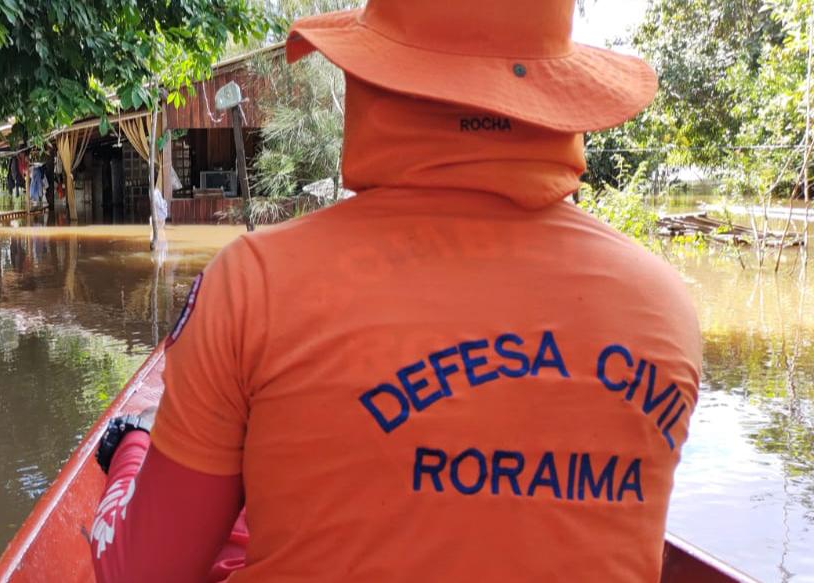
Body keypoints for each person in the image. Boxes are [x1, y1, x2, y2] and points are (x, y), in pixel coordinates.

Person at [89, 0, 702, 581]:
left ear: (376, 82)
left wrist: (134, 448)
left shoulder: (255, 284)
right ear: (554, 97)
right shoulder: (663, 304)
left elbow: (136, 574)